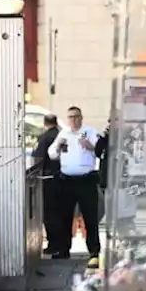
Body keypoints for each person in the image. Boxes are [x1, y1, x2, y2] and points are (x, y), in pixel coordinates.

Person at [47, 105, 102, 265]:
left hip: (86, 180)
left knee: (90, 217)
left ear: (81, 117)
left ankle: (93, 251)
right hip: (67, 180)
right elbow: (52, 154)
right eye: (71, 117)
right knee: (64, 217)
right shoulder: (63, 133)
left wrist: (90, 146)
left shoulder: (89, 132)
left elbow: (100, 151)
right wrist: (58, 145)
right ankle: (63, 250)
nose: (74, 120)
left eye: (77, 116)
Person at [31, 114, 64, 257]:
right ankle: (61, 244)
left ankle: (53, 244)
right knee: (60, 212)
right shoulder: (61, 136)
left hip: (48, 178)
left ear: (45, 123)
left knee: (49, 214)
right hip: (62, 177)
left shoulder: (44, 138)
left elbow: (39, 159)